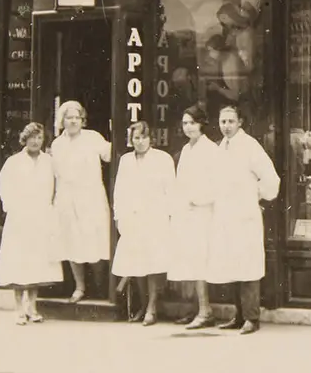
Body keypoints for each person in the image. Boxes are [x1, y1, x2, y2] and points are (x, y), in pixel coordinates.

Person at [207, 104, 281, 335]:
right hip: (226, 216)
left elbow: (271, 179)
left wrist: (255, 197)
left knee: (248, 266)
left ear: (240, 122)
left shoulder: (250, 146)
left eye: (230, 121)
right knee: (232, 264)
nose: (226, 126)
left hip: (245, 216)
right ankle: (237, 315)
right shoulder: (222, 148)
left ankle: (252, 317)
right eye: (222, 122)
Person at [0, 122, 62, 325]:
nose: (35, 141)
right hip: (20, 218)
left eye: (39, 137)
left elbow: (57, 184)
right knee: (19, 262)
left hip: (41, 216)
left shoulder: (49, 161)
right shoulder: (14, 162)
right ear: (25, 139)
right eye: (32, 137)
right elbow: (4, 186)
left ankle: (32, 307)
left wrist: (52, 207)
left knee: (36, 263)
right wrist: (12, 207)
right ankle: (18, 310)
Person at [111, 121, 175, 325]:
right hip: (132, 218)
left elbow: (170, 190)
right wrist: (119, 217)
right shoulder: (126, 161)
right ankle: (143, 304)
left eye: (143, 137)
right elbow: (119, 190)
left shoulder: (162, 159)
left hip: (155, 217)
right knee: (136, 263)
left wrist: (170, 216)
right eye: (136, 138)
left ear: (151, 139)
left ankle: (152, 308)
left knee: (154, 262)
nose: (140, 142)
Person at [50, 100, 112, 304]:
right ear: (63, 120)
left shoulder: (93, 138)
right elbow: (54, 174)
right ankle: (80, 286)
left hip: (91, 196)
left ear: (82, 119)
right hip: (67, 198)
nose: (73, 121)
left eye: (77, 117)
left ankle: (101, 285)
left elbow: (110, 155)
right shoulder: (57, 144)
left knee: (94, 240)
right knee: (71, 241)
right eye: (69, 117)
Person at [167, 104, 221, 329]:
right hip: (186, 213)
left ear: (202, 124)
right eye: (185, 123)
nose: (188, 127)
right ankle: (193, 308)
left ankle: (206, 310)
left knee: (200, 261)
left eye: (192, 122)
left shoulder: (210, 150)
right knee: (188, 259)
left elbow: (216, 184)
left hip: (202, 213)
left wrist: (197, 200)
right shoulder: (186, 150)